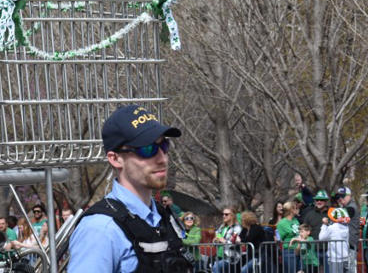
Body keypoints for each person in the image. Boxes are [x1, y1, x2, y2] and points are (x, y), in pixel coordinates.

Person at [68, 104, 188, 273]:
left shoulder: (163, 217)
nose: (162, 158)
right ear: (115, 158)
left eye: (164, 146)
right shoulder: (100, 230)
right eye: (148, 149)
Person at [334, 186, 360, 273]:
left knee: (350, 270)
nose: (340, 199)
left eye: (342, 196)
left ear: (349, 196)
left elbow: (335, 216)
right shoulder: (344, 208)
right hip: (344, 246)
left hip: (350, 246)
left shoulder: (351, 208)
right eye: (338, 197)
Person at [212, 207, 243, 273]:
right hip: (219, 256)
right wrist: (215, 240)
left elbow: (234, 244)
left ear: (232, 216)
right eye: (223, 214)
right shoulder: (222, 227)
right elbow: (216, 239)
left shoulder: (237, 228)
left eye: (226, 214)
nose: (224, 216)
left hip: (231, 258)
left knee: (216, 267)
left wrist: (224, 241)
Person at [319, 207, 350, 273]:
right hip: (346, 257)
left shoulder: (332, 227)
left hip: (335, 259)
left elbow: (321, 238)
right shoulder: (346, 227)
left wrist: (324, 225)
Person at [278, 201, 301, 273]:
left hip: (299, 249)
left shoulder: (296, 220)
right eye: (296, 208)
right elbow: (282, 237)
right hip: (289, 250)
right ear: (291, 210)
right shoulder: (282, 222)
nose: (298, 210)